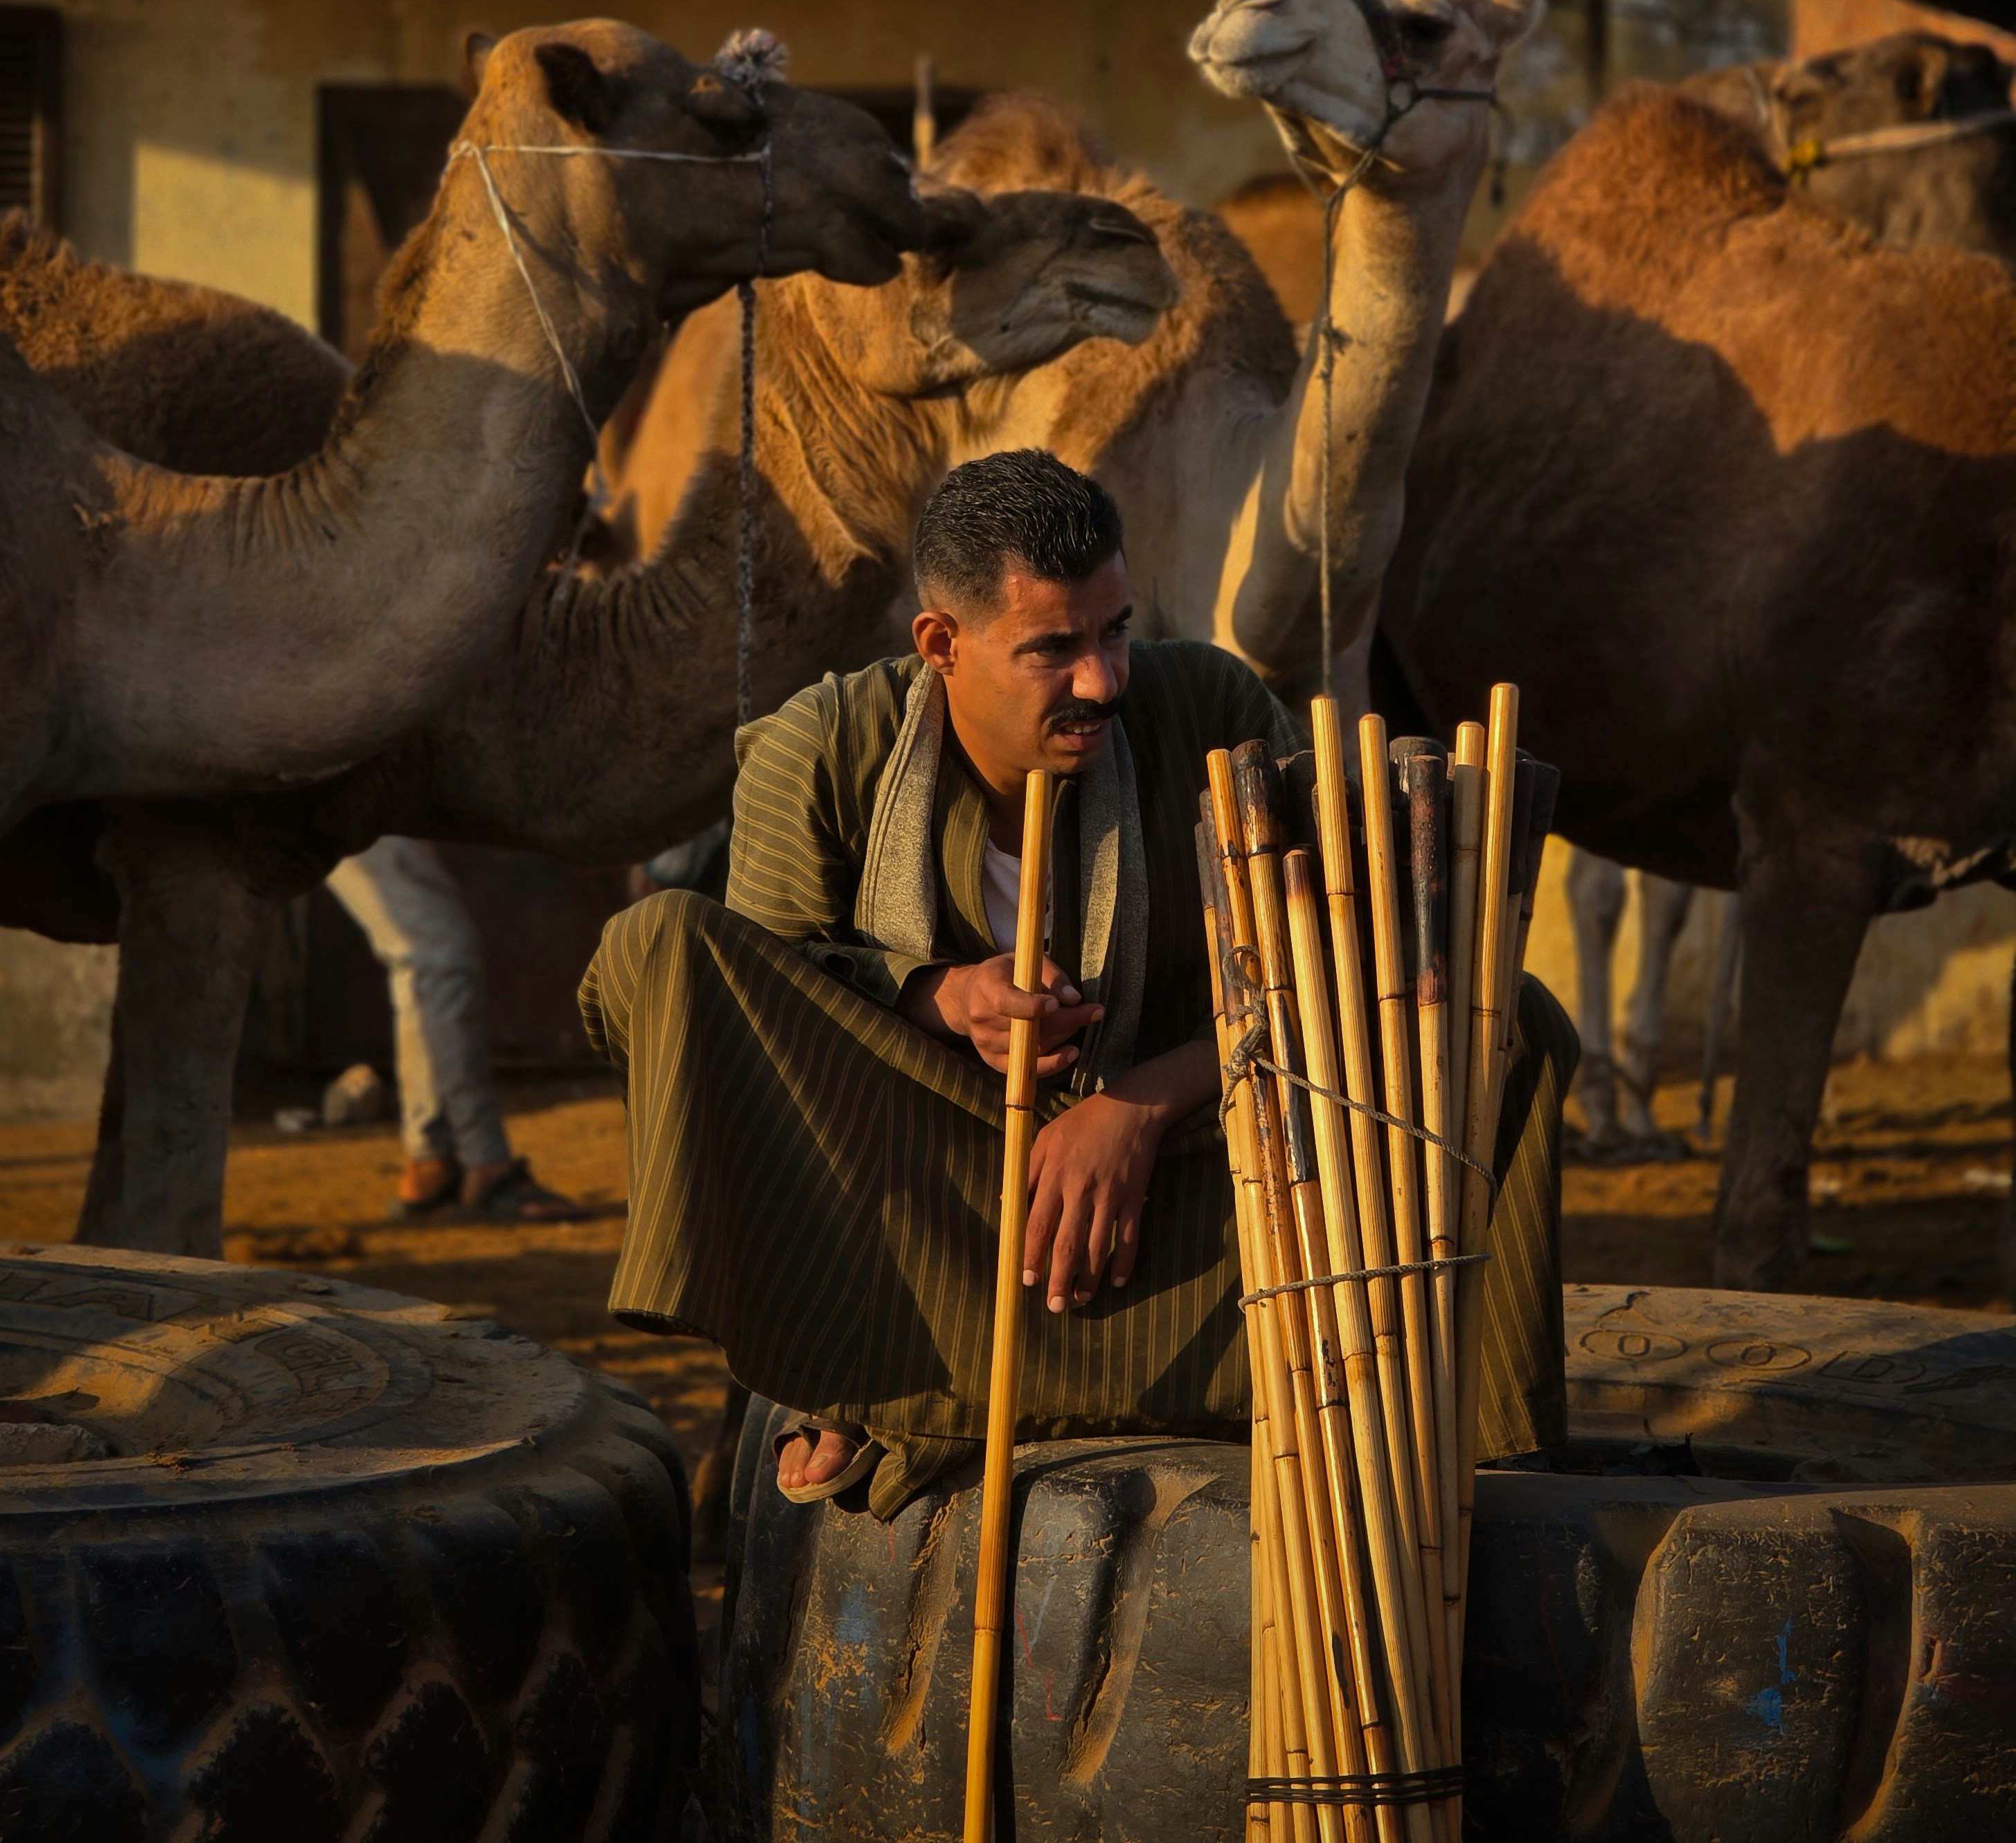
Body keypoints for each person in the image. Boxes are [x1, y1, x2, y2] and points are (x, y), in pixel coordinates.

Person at [582, 450, 1576, 1518]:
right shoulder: (822, 749)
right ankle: (852, 1356)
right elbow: (766, 1032)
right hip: (935, 1228)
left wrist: (1134, 1108)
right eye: (1053, 648)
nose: (1103, 679)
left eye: (1115, 631)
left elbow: (1353, 961)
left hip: (1195, 1222)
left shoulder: (1206, 709)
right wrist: (937, 996)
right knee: (666, 942)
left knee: (1498, 1016)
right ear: (941, 644)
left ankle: (915, 1396)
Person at [327, 837, 580, 1222]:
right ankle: (485, 1165)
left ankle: (431, 1162)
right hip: (327, 786)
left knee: (427, 954)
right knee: (439, 951)